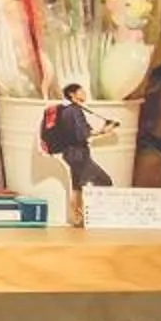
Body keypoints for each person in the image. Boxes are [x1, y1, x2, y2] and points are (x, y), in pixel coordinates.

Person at [40, 83, 113, 223]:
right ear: (72, 95)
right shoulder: (75, 111)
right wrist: (104, 130)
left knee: (77, 187)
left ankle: (77, 218)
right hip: (79, 154)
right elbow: (83, 134)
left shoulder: (66, 111)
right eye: (81, 91)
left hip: (69, 153)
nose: (84, 93)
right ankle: (93, 215)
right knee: (104, 181)